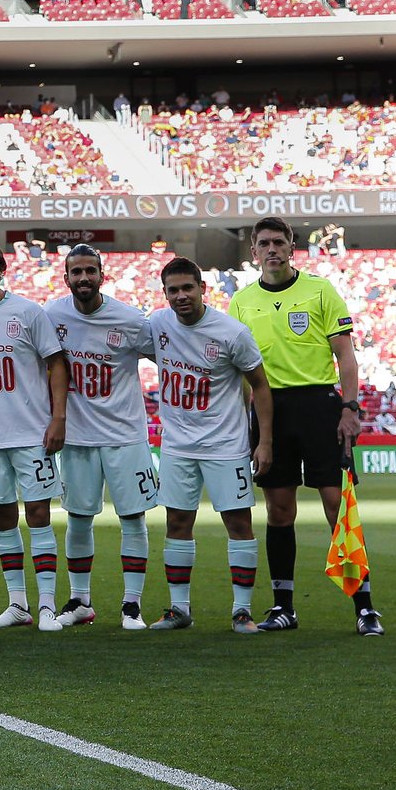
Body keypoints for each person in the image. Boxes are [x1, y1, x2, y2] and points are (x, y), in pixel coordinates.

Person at [226, 217, 380, 635]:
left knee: (337, 504)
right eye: (264, 243)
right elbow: (240, 372)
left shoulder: (320, 289)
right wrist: (245, 426)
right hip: (269, 408)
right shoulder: (241, 302)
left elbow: (345, 355)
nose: (272, 249)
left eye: (279, 242)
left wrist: (350, 407)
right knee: (279, 510)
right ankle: (283, 607)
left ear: (291, 247)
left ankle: (364, 607)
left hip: (320, 406)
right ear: (253, 252)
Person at [148, 258, 273, 633]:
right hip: (177, 446)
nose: (181, 296)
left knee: (238, 523)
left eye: (188, 287)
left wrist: (264, 441)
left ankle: (242, 611)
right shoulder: (157, 324)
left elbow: (261, 386)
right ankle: (179, 609)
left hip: (226, 445)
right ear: (165, 294)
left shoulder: (232, 332)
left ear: (203, 288)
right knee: (177, 521)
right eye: (173, 290)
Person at [0, 239, 68, 631]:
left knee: (38, 515)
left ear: (1, 268)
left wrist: (58, 419)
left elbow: (56, 364)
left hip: (31, 433)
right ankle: (18, 603)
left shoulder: (27, 312)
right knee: (3, 518)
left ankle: (48, 606)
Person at [45, 245, 158, 630]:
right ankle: (80, 601)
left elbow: (170, 356)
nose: (83, 278)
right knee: (78, 520)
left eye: (90, 271)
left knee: (132, 519)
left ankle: (132, 605)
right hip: (76, 437)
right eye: (76, 272)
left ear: (102, 275)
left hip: (125, 436)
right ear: (66, 278)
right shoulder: (52, 315)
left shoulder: (130, 319)